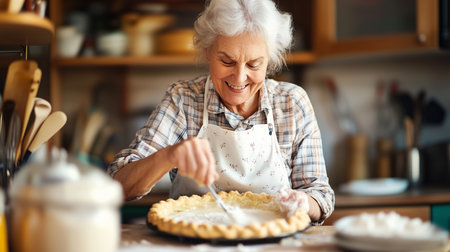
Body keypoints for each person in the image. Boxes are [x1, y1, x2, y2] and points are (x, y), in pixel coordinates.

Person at [108, 0, 334, 224]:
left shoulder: (292, 103)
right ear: (207, 51)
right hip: (194, 242)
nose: (239, 78)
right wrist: (170, 155)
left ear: (270, 61)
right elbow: (118, 186)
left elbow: (320, 196)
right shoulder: (184, 100)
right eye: (227, 61)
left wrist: (304, 202)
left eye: (254, 65)